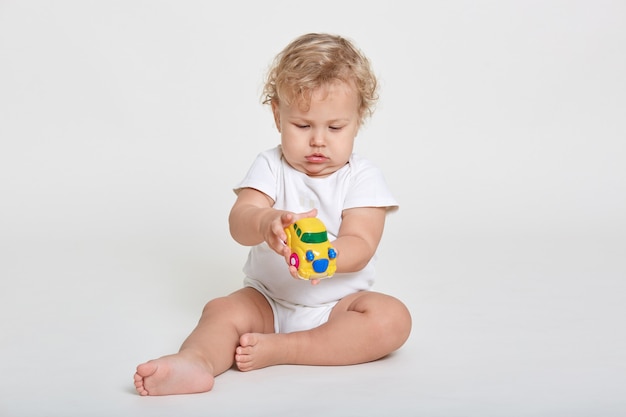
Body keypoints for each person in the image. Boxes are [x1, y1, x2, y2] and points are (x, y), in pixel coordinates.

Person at [134, 32, 412, 396]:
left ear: (357, 121)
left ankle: (287, 349)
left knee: (393, 320)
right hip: (267, 301)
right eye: (302, 125)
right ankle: (196, 361)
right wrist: (265, 222)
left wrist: (326, 258)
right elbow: (240, 219)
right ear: (277, 114)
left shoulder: (362, 177)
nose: (318, 140)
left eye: (335, 127)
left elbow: (361, 243)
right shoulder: (270, 165)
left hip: (337, 309)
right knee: (222, 310)